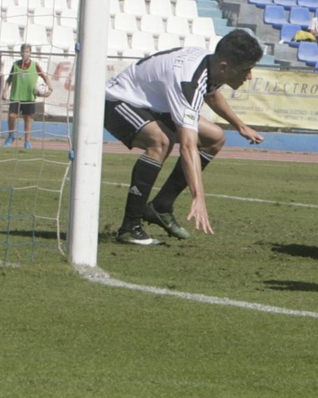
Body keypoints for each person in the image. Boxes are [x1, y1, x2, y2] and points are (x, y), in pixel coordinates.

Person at [103, 29, 265, 244]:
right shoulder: (188, 81)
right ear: (225, 67)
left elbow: (211, 92)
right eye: (246, 70)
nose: (249, 76)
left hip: (155, 105)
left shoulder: (212, 63)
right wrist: (198, 196)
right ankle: (130, 227)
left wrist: (240, 126)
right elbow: (188, 146)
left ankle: (161, 206)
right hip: (118, 100)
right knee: (161, 141)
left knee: (215, 137)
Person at [2, 44, 46, 148]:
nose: (25, 53)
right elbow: (9, 79)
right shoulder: (15, 65)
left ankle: (27, 142)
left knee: (28, 118)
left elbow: (45, 77)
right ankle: (11, 136)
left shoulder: (35, 65)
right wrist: (5, 91)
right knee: (11, 116)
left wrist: (50, 89)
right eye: (23, 51)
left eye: (27, 51)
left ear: (30, 53)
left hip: (29, 97)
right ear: (20, 53)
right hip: (16, 96)